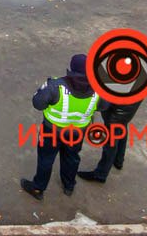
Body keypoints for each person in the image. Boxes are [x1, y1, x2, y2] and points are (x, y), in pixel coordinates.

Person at [21, 53, 98, 201]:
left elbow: (38, 103)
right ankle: (69, 186)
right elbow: (103, 106)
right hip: (77, 132)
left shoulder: (55, 86)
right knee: (72, 157)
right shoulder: (98, 89)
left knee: (46, 159)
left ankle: (38, 188)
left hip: (52, 131)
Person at [78, 97, 142, 184]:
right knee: (121, 125)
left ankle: (101, 174)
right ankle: (118, 160)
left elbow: (103, 102)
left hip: (117, 109)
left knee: (111, 140)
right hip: (129, 106)